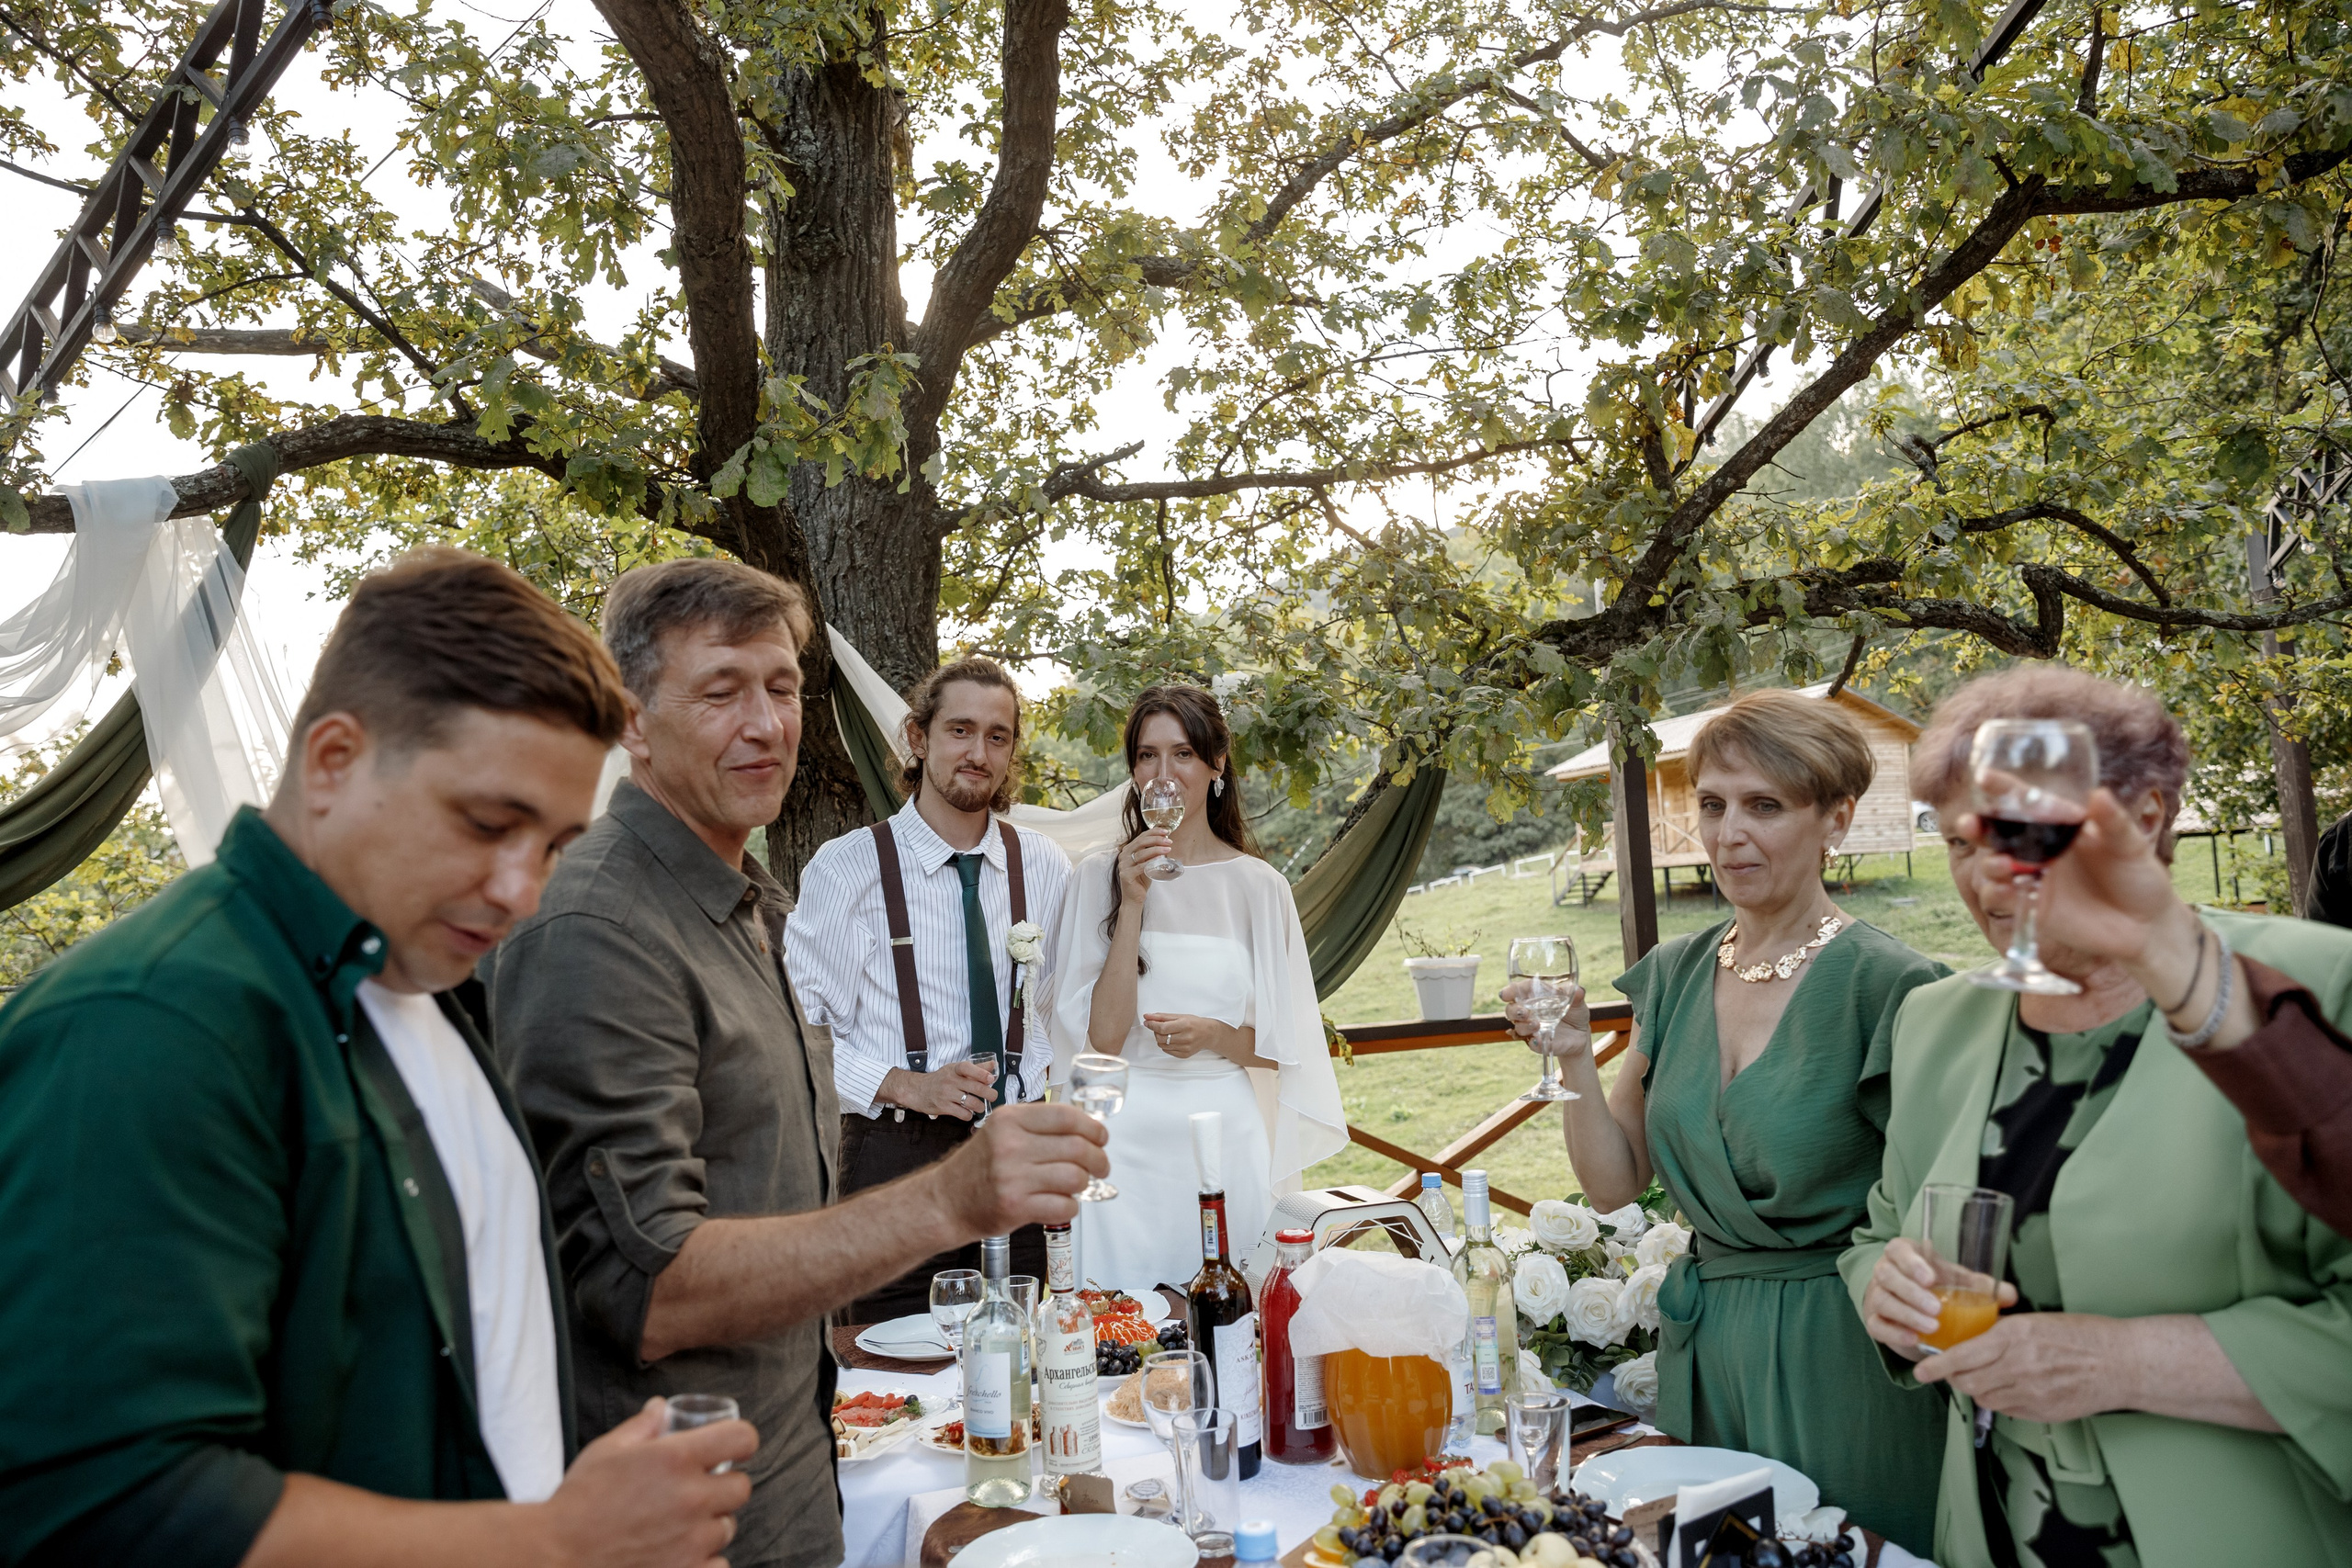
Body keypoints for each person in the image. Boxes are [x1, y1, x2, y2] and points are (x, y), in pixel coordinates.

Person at [0, 549, 759, 1567]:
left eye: (553, 847)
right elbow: (110, 1503)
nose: (518, 891)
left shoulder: (426, 986)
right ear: (332, 761)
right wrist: (554, 1543)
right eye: (488, 825)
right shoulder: (152, 1025)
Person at [488, 562, 1107, 1568]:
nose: (767, 724)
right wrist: (950, 1199)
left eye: (780, 688)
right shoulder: (597, 927)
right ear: (632, 722)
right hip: (685, 1516)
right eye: (723, 690)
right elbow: (643, 1295)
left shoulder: (752, 906)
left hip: (792, 1466)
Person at [1848, 666, 2352, 1568]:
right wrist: (1880, 1289)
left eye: (2023, 829)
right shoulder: (1934, 1020)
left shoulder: (2316, 989)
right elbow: (1879, 1230)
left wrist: (2129, 1364)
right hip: (1994, 1528)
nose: (1988, 877)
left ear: (2146, 818)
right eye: (1960, 843)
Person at [1503, 689, 1947, 1552]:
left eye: (1764, 805)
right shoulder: (1672, 973)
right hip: (1706, 1347)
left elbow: (1936, 1214)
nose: (1728, 832)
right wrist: (1568, 1058)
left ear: (1837, 819)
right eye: (1711, 804)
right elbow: (1612, 1180)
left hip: (1844, 1354)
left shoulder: (1894, 988)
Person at [787, 655, 1073, 1320]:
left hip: (1018, 1163)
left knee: (1022, 1374)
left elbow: (1067, 1010)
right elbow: (796, 1034)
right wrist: (906, 1084)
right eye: (960, 730)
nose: (978, 752)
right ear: (918, 739)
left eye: (997, 736)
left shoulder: (1045, 865)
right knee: (890, 1387)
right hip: (895, 1160)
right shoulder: (849, 867)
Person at [1044, 683, 1346, 1296]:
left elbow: (1290, 1051)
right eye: (1148, 756)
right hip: (1124, 1148)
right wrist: (1132, 902)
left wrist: (1216, 1036)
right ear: (1132, 771)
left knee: (1232, 1330)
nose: (1165, 773)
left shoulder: (1260, 888)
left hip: (1223, 1141)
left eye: (1182, 754)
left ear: (1216, 764)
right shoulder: (1098, 877)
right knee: (1117, 1331)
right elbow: (1099, 1041)